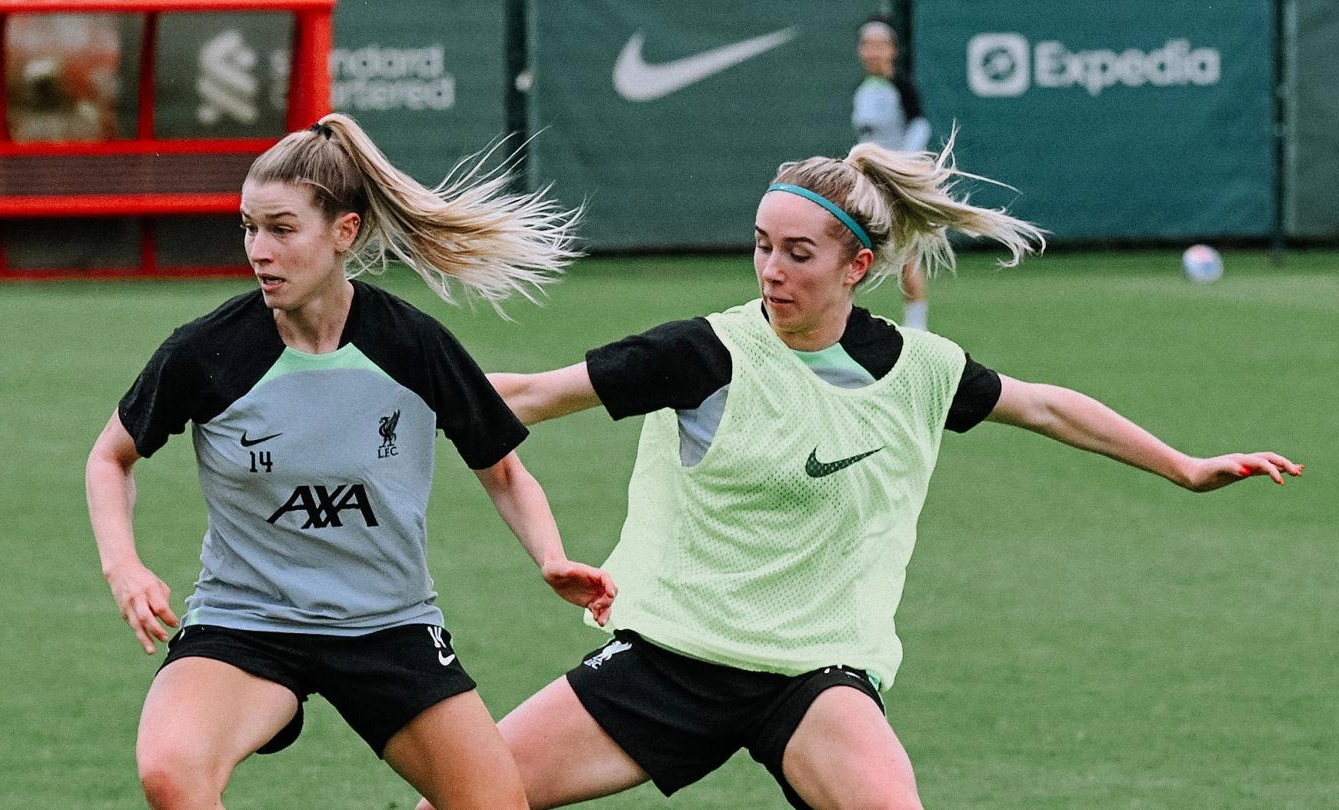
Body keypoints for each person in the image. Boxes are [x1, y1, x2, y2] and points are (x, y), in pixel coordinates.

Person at [420, 138, 1303, 810]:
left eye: (799, 254)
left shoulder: (921, 369)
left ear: (859, 267)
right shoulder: (700, 352)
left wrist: (1183, 467)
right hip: (669, 659)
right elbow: (528, 394)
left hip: (815, 671)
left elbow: (1042, 405)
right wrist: (370, 399)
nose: (772, 269)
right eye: (762, 245)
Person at [85, 112, 616, 810]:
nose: (258, 250)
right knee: (170, 771)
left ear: (345, 232)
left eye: (281, 228)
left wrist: (550, 556)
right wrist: (124, 566)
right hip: (247, 624)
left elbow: (504, 469)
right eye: (248, 227)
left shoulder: (411, 345)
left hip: (389, 626)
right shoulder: (206, 352)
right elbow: (110, 457)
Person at [852, 17, 933, 331]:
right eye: (867, 45)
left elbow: (919, 125)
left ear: (892, 50)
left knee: (906, 256)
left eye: (879, 45)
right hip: (866, 182)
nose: (872, 52)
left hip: (893, 182)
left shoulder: (900, 86)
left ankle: (917, 330)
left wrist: (899, 165)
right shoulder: (863, 91)